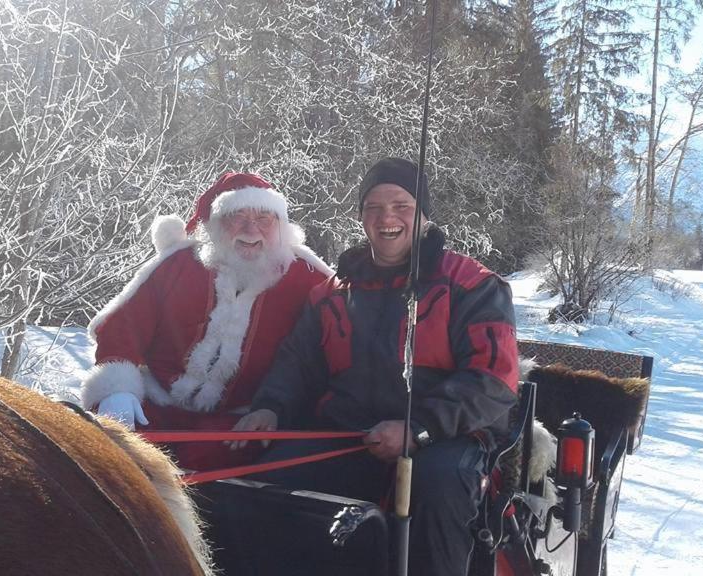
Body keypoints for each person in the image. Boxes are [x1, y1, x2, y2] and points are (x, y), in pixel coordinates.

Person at [233, 157, 520, 575]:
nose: (387, 217)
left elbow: (493, 379)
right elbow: (297, 362)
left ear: (423, 215)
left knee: (438, 487)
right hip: (349, 433)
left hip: (445, 437)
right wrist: (269, 407)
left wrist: (418, 428)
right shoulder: (331, 293)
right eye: (374, 207)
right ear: (362, 217)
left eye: (401, 205)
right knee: (263, 485)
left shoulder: (472, 285)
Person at [83, 172, 331, 471]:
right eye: (236, 216)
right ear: (214, 224)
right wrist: (117, 391)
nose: (251, 229)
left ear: (281, 226)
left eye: (265, 218)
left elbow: (328, 346)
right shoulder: (178, 264)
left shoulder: (307, 277)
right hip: (156, 405)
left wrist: (275, 408)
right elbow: (124, 326)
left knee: (205, 467)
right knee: (101, 451)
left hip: (237, 421)